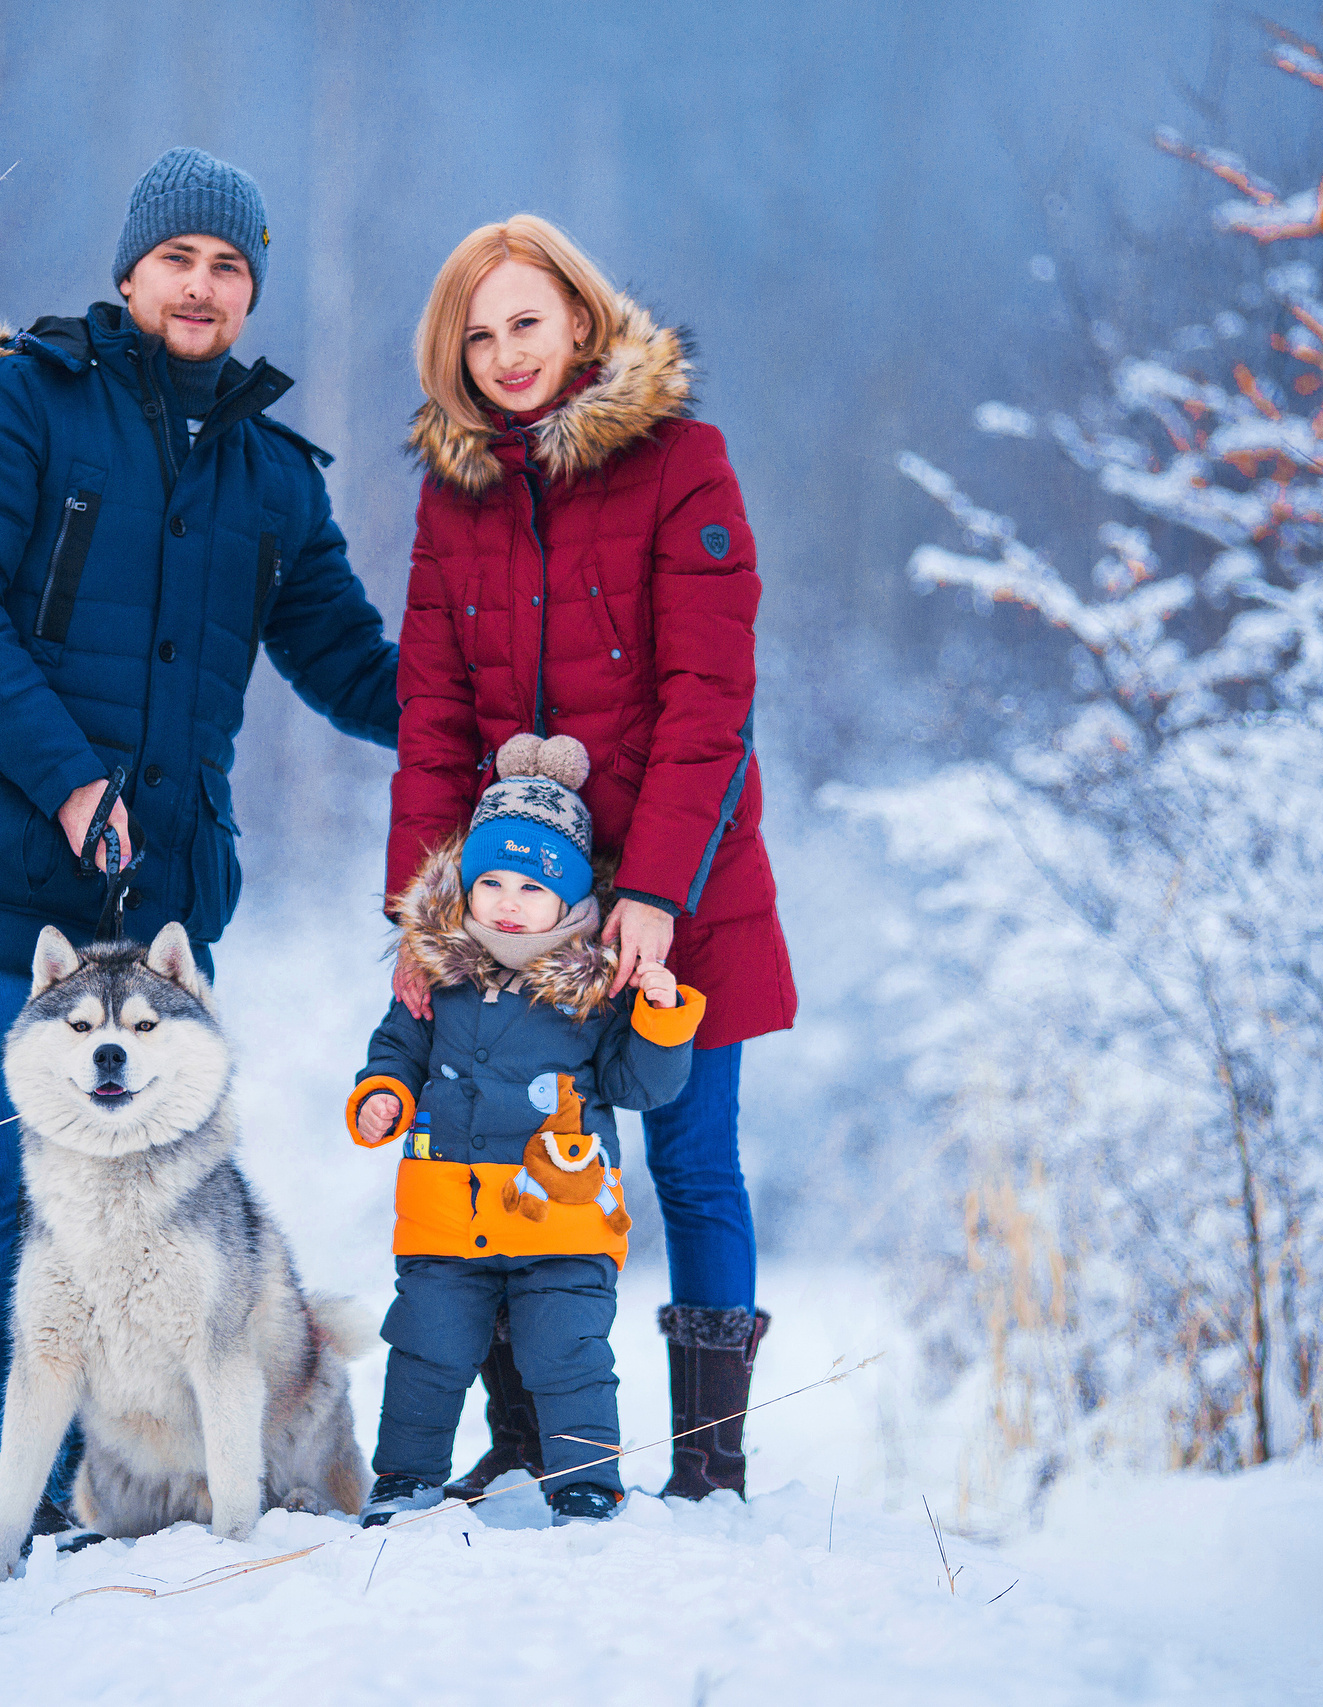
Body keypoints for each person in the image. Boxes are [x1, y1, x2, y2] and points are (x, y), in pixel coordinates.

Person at [0, 148, 400, 1554]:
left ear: (250, 296)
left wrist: (478, 720)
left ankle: (133, 1479)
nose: (204, 283)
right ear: (130, 273)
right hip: (5, 864)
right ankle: (8, 1499)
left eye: (232, 266)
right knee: (20, 1175)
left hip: (160, 895)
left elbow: (346, 658)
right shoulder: (21, 400)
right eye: (180, 257)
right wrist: (65, 780)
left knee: (163, 1192)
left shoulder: (267, 472)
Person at [388, 215, 797, 1502]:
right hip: (512, 911)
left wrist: (657, 894)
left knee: (689, 1158)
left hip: (688, 885)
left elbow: (707, 699)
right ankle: (525, 1442)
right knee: (500, 1159)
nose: (506, 352)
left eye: (526, 320)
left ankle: (706, 1467)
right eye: (478, 333)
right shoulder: (453, 497)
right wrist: (422, 913)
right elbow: (436, 717)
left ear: (578, 316)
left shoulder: (683, 465)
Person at [348, 734, 705, 1525]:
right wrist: (381, 1094)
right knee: (425, 1349)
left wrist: (660, 1015)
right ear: (466, 889)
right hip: (446, 1216)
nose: (508, 901)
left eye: (533, 885)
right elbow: (395, 1049)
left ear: (572, 899)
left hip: (565, 1216)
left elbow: (638, 1083)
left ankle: (584, 1479)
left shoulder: (593, 987)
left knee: (568, 1351)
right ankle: (405, 1478)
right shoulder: (434, 976)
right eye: (492, 882)